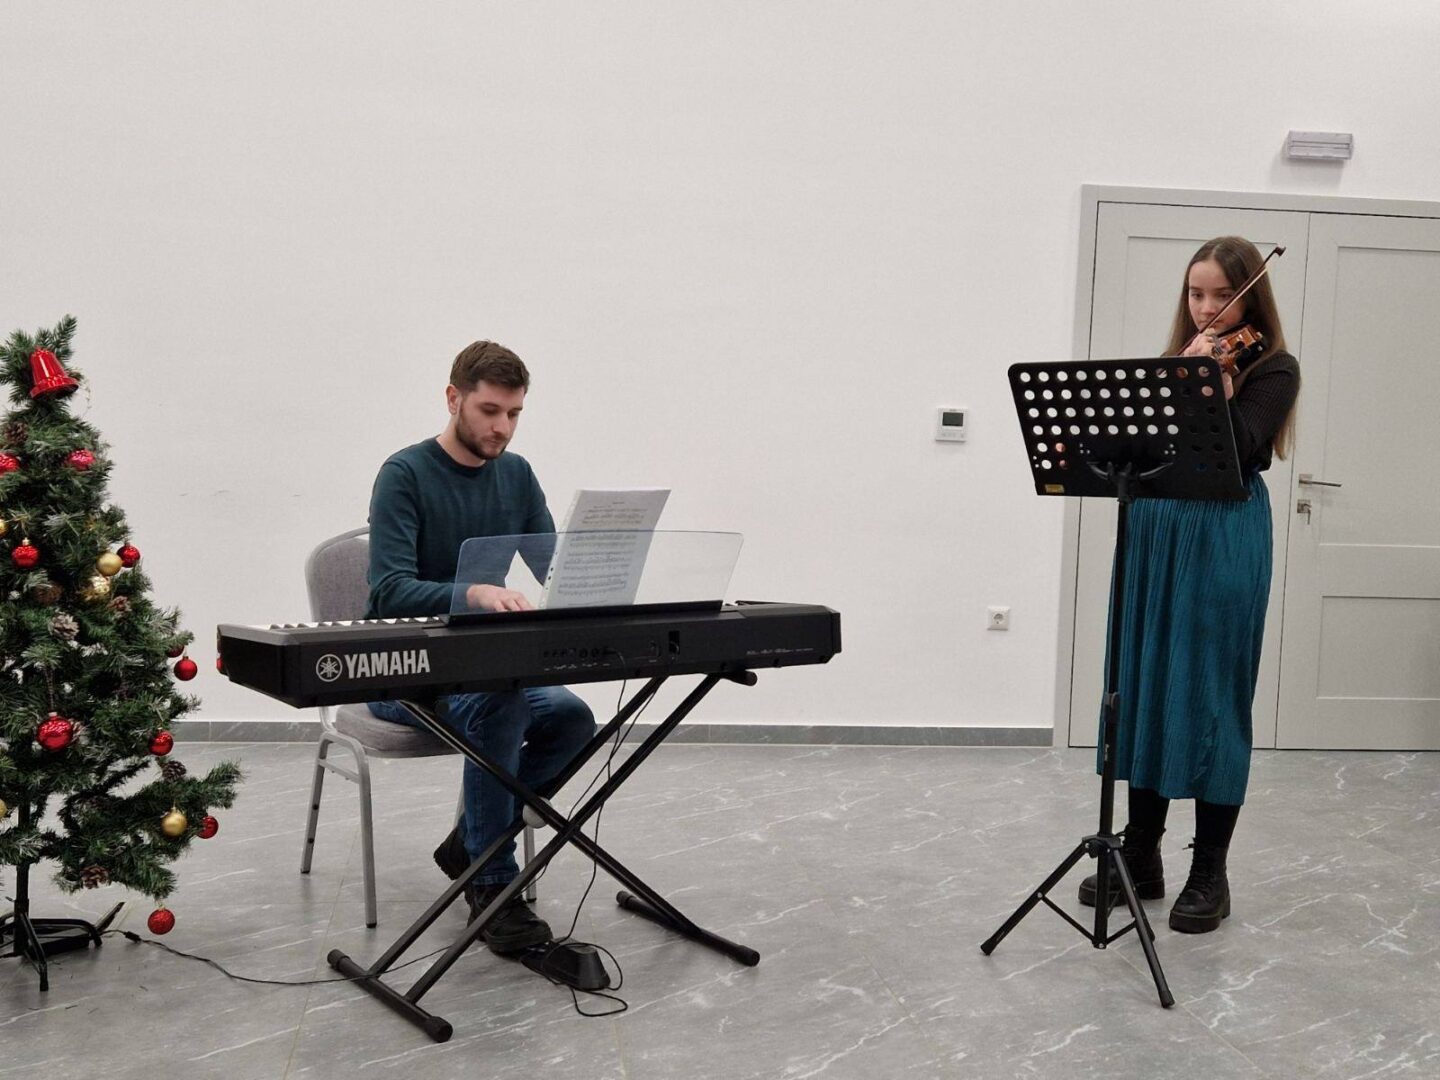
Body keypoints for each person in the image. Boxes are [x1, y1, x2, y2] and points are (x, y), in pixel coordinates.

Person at [1078, 236, 1300, 933]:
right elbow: (1134, 449)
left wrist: (1215, 389)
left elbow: (1243, 448)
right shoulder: (1172, 363)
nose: (1207, 309)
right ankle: (1141, 855)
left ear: (1250, 298)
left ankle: (1210, 871)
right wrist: (1177, 378)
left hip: (1223, 530)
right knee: (1143, 684)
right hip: (1156, 528)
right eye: (1196, 294)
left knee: (1209, 693)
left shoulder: (1273, 367)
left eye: (1221, 296)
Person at [365, 341, 595, 955]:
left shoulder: (516, 475)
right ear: (453, 398)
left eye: (514, 414)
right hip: (403, 669)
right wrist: (475, 593)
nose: (503, 428)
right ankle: (494, 887)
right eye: (490, 411)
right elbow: (387, 590)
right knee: (501, 707)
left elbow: (553, 570)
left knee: (573, 719)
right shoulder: (404, 474)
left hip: (486, 665)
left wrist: (605, 571)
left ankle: (470, 844)